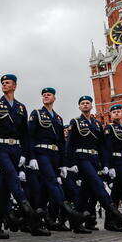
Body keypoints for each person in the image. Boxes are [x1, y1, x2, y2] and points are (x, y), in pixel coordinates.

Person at [0, 74, 46, 238]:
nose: (4, 85)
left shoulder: (20, 107)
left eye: (8, 82)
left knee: (4, 189)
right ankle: (28, 210)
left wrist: (27, 155)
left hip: (15, 149)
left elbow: (25, 134)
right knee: (12, 176)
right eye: (3, 83)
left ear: (15, 86)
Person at [66, 96, 122, 232]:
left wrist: (105, 164)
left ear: (91, 106)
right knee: (97, 183)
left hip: (94, 159)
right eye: (82, 103)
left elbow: (102, 146)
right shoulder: (76, 122)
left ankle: (76, 223)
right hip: (82, 158)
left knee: (85, 192)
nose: (85, 105)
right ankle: (115, 212)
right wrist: (70, 163)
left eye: (87, 103)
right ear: (79, 107)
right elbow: (70, 143)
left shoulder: (97, 124)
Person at [28, 88, 84, 231]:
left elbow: (61, 142)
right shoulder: (37, 113)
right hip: (41, 153)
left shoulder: (58, 118)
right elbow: (30, 136)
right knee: (52, 181)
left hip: (55, 155)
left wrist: (63, 164)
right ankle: (69, 211)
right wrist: (32, 157)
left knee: (46, 189)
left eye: (49, 94)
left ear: (54, 98)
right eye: (44, 95)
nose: (46, 96)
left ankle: (38, 219)